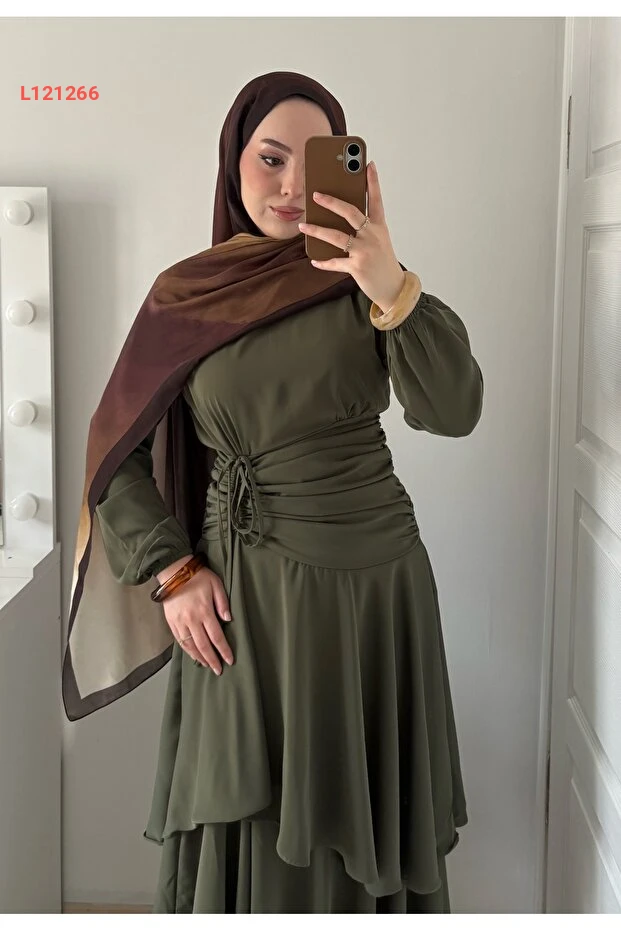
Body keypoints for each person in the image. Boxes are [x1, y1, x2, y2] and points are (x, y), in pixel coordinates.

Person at [61, 70, 483, 913]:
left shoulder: (366, 282)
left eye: (315, 160)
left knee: (355, 808)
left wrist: (389, 282)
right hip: (239, 599)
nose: (291, 185)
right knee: (244, 805)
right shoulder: (186, 296)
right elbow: (114, 453)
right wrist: (172, 571)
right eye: (270, 158)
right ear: (233, 164)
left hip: (373, 587)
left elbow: (453, 410)